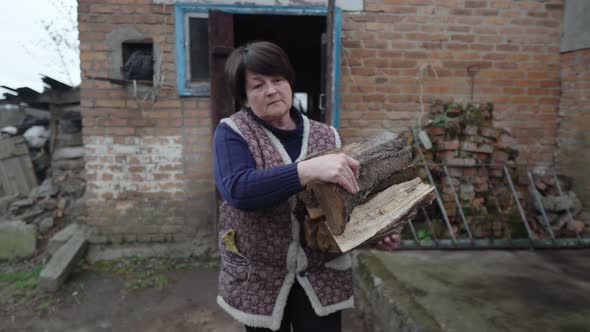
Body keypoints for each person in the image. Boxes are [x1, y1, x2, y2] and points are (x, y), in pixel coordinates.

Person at [213, 41, 400, 332]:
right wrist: (307, 170)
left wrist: (374, 232)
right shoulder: (232, 132)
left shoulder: (327, 136)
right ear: (245, 97)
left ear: (289, 82)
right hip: (261, 276)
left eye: (277, 80)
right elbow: (238, 190)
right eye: (258, 85)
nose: (271, 90)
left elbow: (345, 200)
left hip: (322, 273)